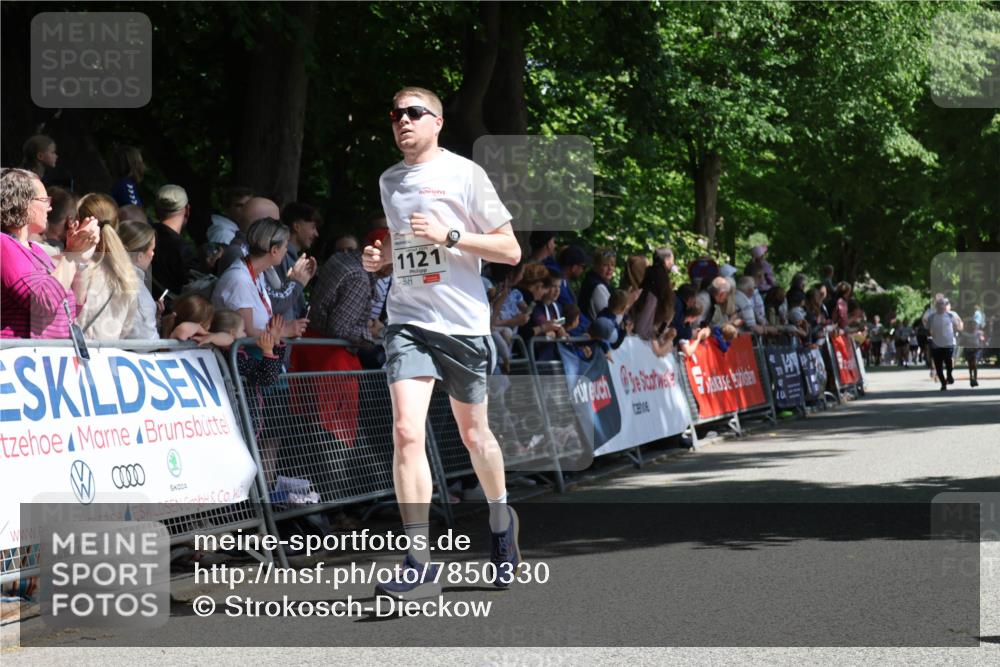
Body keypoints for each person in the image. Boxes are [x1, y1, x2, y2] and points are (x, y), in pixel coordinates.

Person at [362, 86, 522, 599]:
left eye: (414, 113)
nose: (402, 121)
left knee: (476, 439)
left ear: (437, 122)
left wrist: (450, 236)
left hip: (463, 325)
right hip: (408, 320)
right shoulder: (390, 180)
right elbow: (404, 247)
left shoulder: (465, 174)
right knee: (407, 432)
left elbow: (510, 249)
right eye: (395, 115)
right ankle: (419, 560)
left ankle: (501, 523)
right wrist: (380, 261)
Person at [1, 168, 98, 339]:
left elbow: (72, 309)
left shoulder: (36, 250)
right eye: (45, 200)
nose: (50, 207)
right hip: (19, 360)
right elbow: (44, 303)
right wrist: (70, 255)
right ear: (23, 203)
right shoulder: (3, 244)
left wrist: (79, 258)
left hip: (45, 360)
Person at [212, 217, 308, 338]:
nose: (286, 250)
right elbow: (247, 333)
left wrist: (281, 327)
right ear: (274, 250)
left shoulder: (258, 274)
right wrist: (284, 332)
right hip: (237, 355)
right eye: (285, 246)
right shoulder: (240, 280)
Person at [75, 193, 140, 339]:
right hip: (106, 357)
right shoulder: (128, 274)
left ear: (79, 223)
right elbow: (126, 328)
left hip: (65, 357)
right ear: (116, 226)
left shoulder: (67, 266)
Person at [117, 219, 161, 339]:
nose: (153, 254)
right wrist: (166, 328)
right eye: (152, 250)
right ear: (140, 256)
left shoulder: (97, 273)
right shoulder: (140, 297)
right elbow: (148, 345)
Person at [150, 185, 197, 299]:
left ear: (156, 211)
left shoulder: (143, 236)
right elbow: (192, 290)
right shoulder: (183, 250)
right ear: (187, 210)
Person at [927, 298, 963, 390]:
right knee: (938, 366)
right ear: (936, 306)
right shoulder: (932, 317)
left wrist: (957, 329)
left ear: (945, 306)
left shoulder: (950, 316)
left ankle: (949, 375)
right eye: (939, 305)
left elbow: (958, 326)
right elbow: (928, 329)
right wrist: (931, 333)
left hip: (948, 343)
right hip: (936, 344)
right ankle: (943, 383)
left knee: (948, 362)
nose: (941, 306)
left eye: (942, 304)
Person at [578, 247, 617, 320]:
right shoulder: (598, 287)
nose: (610, 268)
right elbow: (608, 320)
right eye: (605, 265)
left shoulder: (600, 282)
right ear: (596, 266)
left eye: (612, 265)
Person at [959, 314, 984, 387]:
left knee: (974, 365)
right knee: (970, 366)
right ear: (968, 326)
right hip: (968, 351)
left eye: (974, 325)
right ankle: (971, 378)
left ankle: (975, 379)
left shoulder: (979, 333)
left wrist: (980, 346)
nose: (973, 326)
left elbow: (982, 341)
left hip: (976, 351)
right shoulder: (965, 334)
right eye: (971, 325)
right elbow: (961, 343)